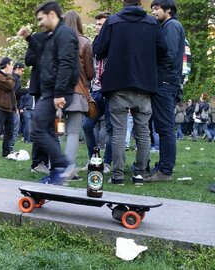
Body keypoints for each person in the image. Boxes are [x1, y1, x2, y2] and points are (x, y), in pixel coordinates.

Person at [93, 0, 168, 185]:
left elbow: (98, 49)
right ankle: (140, 173)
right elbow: (163, 49)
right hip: (144, 84)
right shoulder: (151, 23)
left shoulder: (113, 22)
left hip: (118, 84)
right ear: (140, 2)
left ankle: (117, 175)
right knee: (143, 132)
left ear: (123, 2)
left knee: (119, 131)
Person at [30, 1, 79, 184]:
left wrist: (59, 93)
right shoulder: (53, 36)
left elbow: (66, 64)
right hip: (50, 91)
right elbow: (42, 56)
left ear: (52, 15)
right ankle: (58, 171)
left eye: (41, 19)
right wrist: (29, 38)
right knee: (48, 130)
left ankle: (64, 165)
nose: (39, 23)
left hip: (56, 92)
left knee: (37, 128)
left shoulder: (65, 34)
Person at [145, 0, 186, 182]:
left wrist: (156, 78)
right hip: (166, 82)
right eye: (152, 8)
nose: (153, 11)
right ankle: (162, 167)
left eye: (156, 8)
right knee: (163, 127)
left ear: (168, 9)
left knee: (165, 128)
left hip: (165, 82)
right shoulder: (167, 26)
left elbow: (167, 55)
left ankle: (165, 171)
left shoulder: (171, 26)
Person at [62, 10, 94, 181]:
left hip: (57, 95)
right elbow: (90, 73)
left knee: (58, 132)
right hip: (76, 93)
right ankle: (67, 171)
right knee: (73, 132)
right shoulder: (84, 42)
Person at [82, 12, 112, 174]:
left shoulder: (114, 42)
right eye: (97, 24)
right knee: (87, 125)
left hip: (110, 92)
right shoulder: (94, 42)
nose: (97, 26)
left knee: (110, 128)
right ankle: (92, 158)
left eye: (100, 24)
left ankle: (107, 162)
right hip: (95, 91)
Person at [17, 28, 49, 174]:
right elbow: (29, 60)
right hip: (42, 87)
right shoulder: (36, 37)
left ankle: (46, 161)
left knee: (53, 126)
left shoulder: (61, 36)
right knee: (42, 124)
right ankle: (38, 162)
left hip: (55, 87)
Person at [9, 62, 26, 152]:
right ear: (17, 69)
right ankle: (10, 147)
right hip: (14, 107)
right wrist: (26, 90)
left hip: (9, 106)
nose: (22, 73)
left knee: (9, 128)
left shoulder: (10, 77)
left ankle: (7, 147)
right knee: (15, 128)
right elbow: (15, 92)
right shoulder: (16, 79)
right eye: (22, 70)